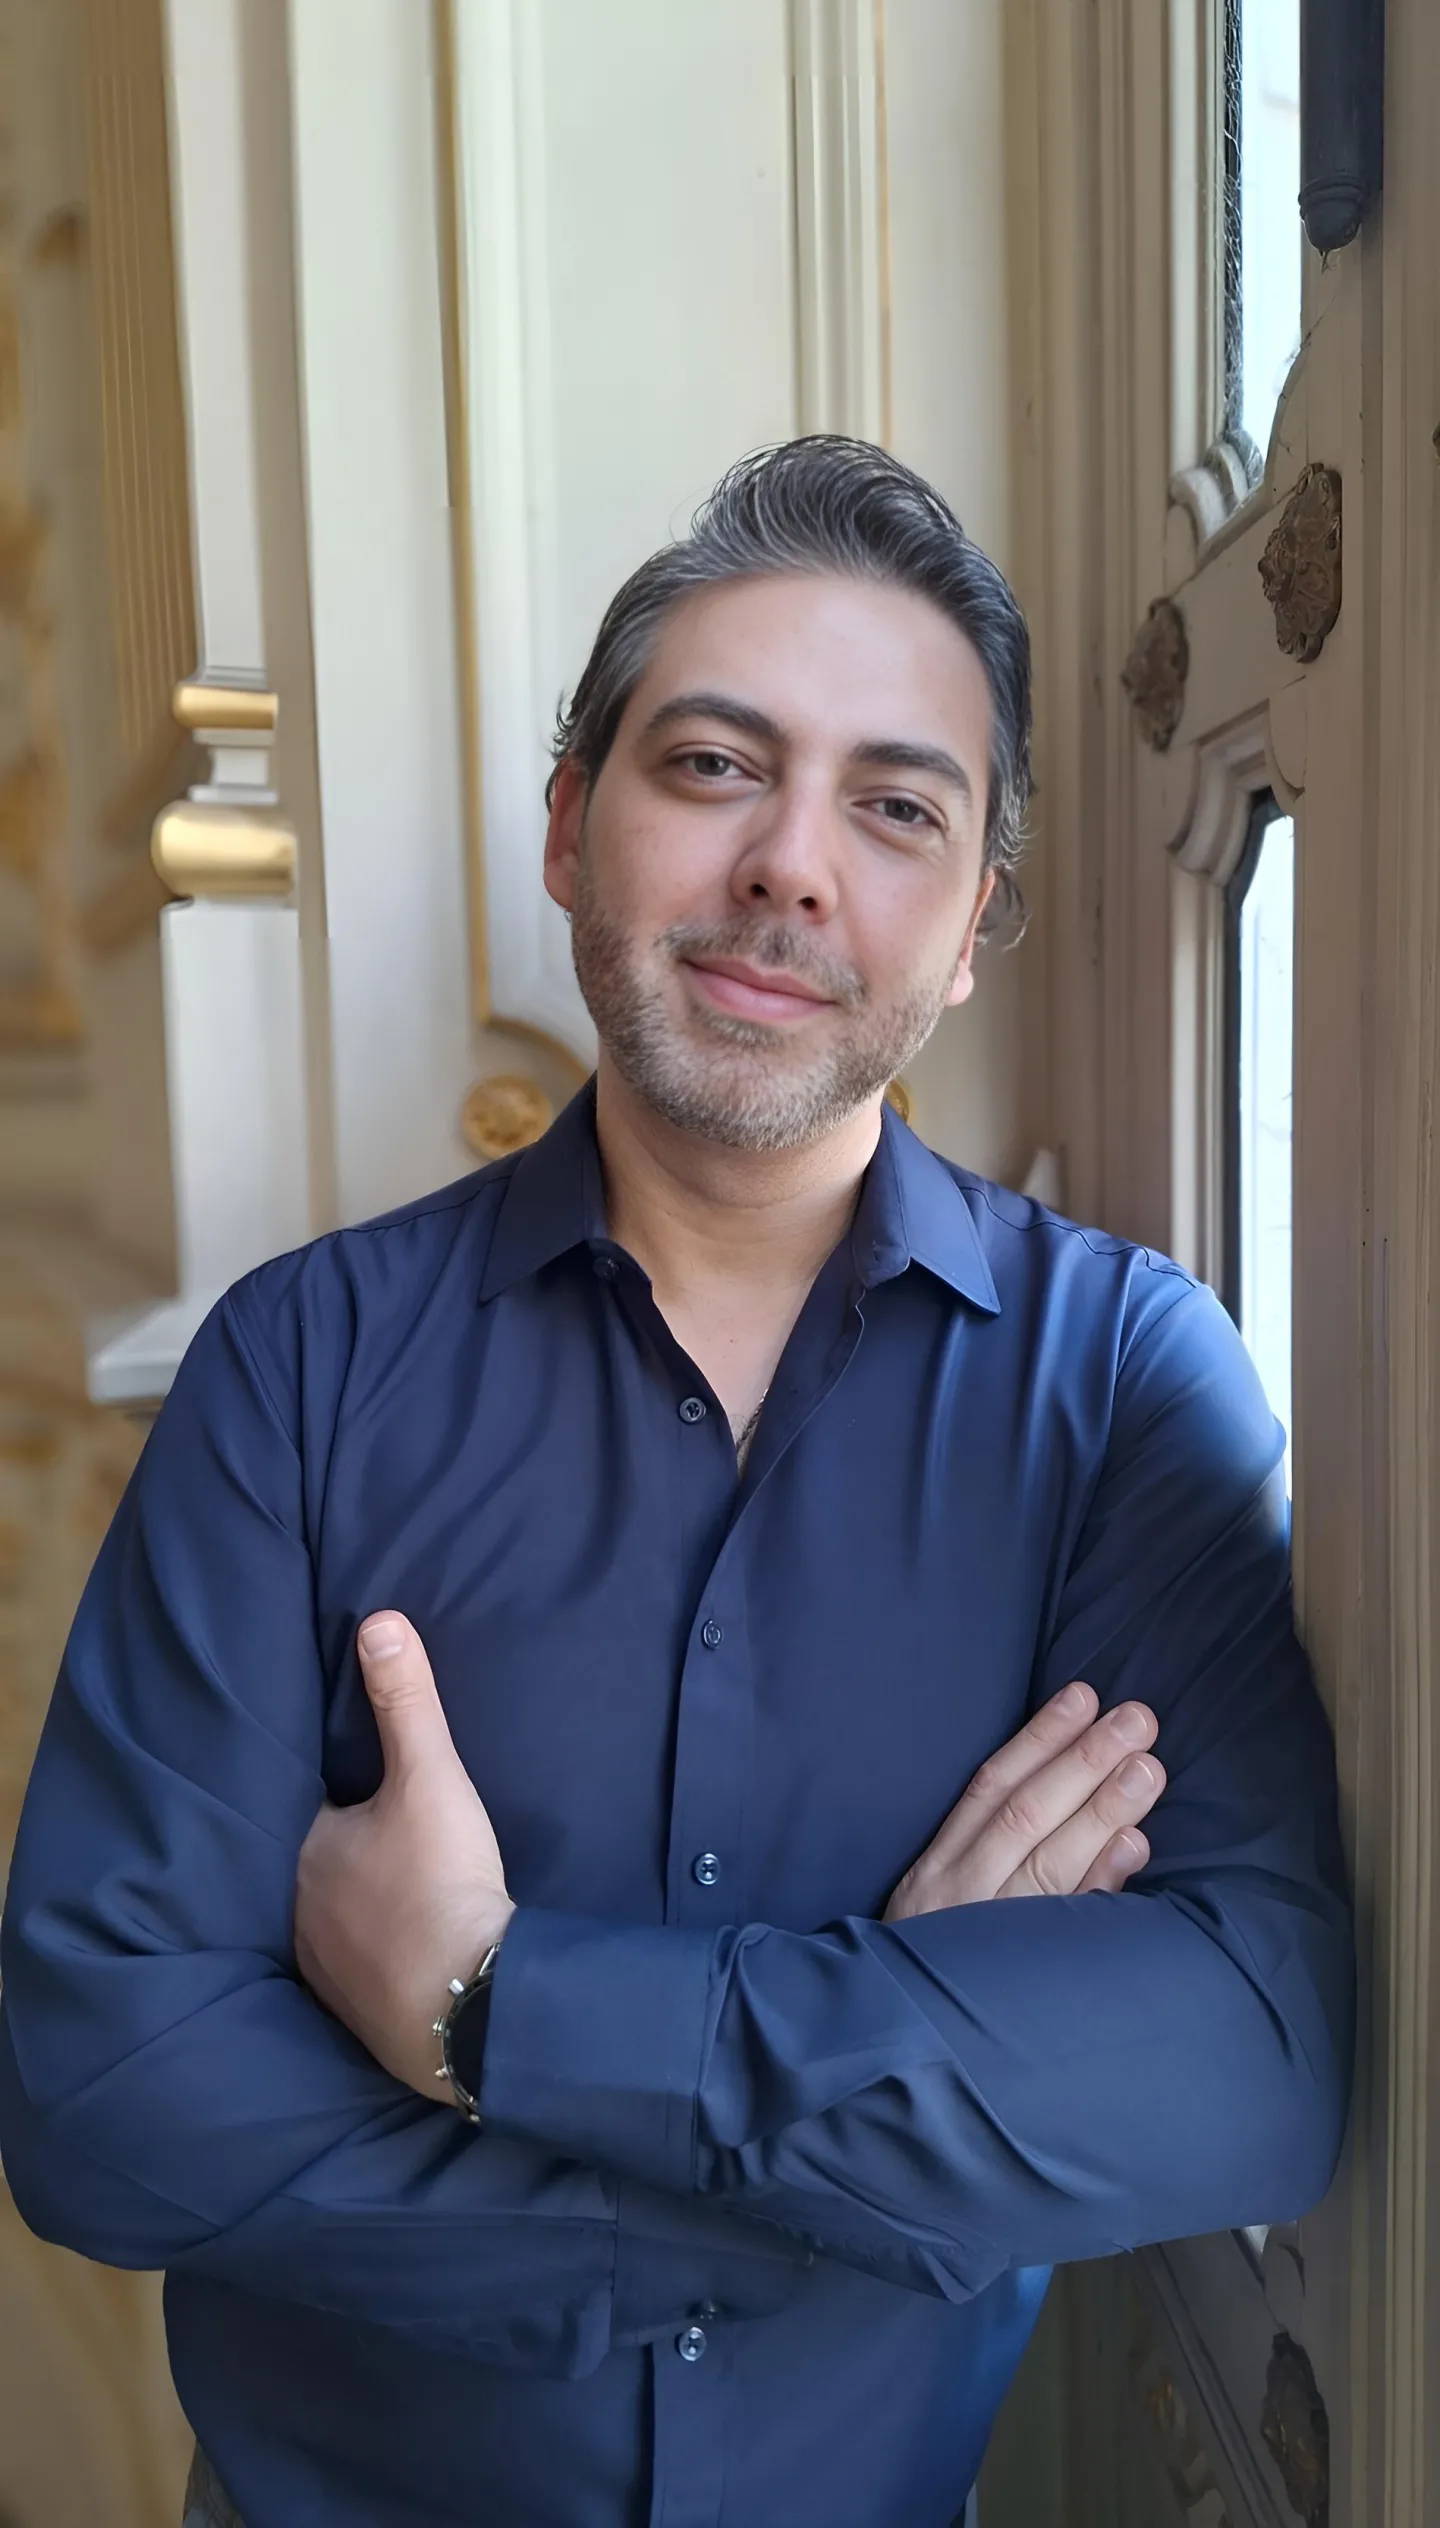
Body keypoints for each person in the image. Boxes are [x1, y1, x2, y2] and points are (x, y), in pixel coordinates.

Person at [0, 438, 1352, 2528]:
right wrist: (870, 2121)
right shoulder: (298, 1370)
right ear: (571, 827)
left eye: (896, 809)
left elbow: (1247, 2061)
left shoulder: (1116, 1384)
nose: (792, 867)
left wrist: (491, 2007)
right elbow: (107, 2097)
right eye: (715, 765)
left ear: (972, 930)